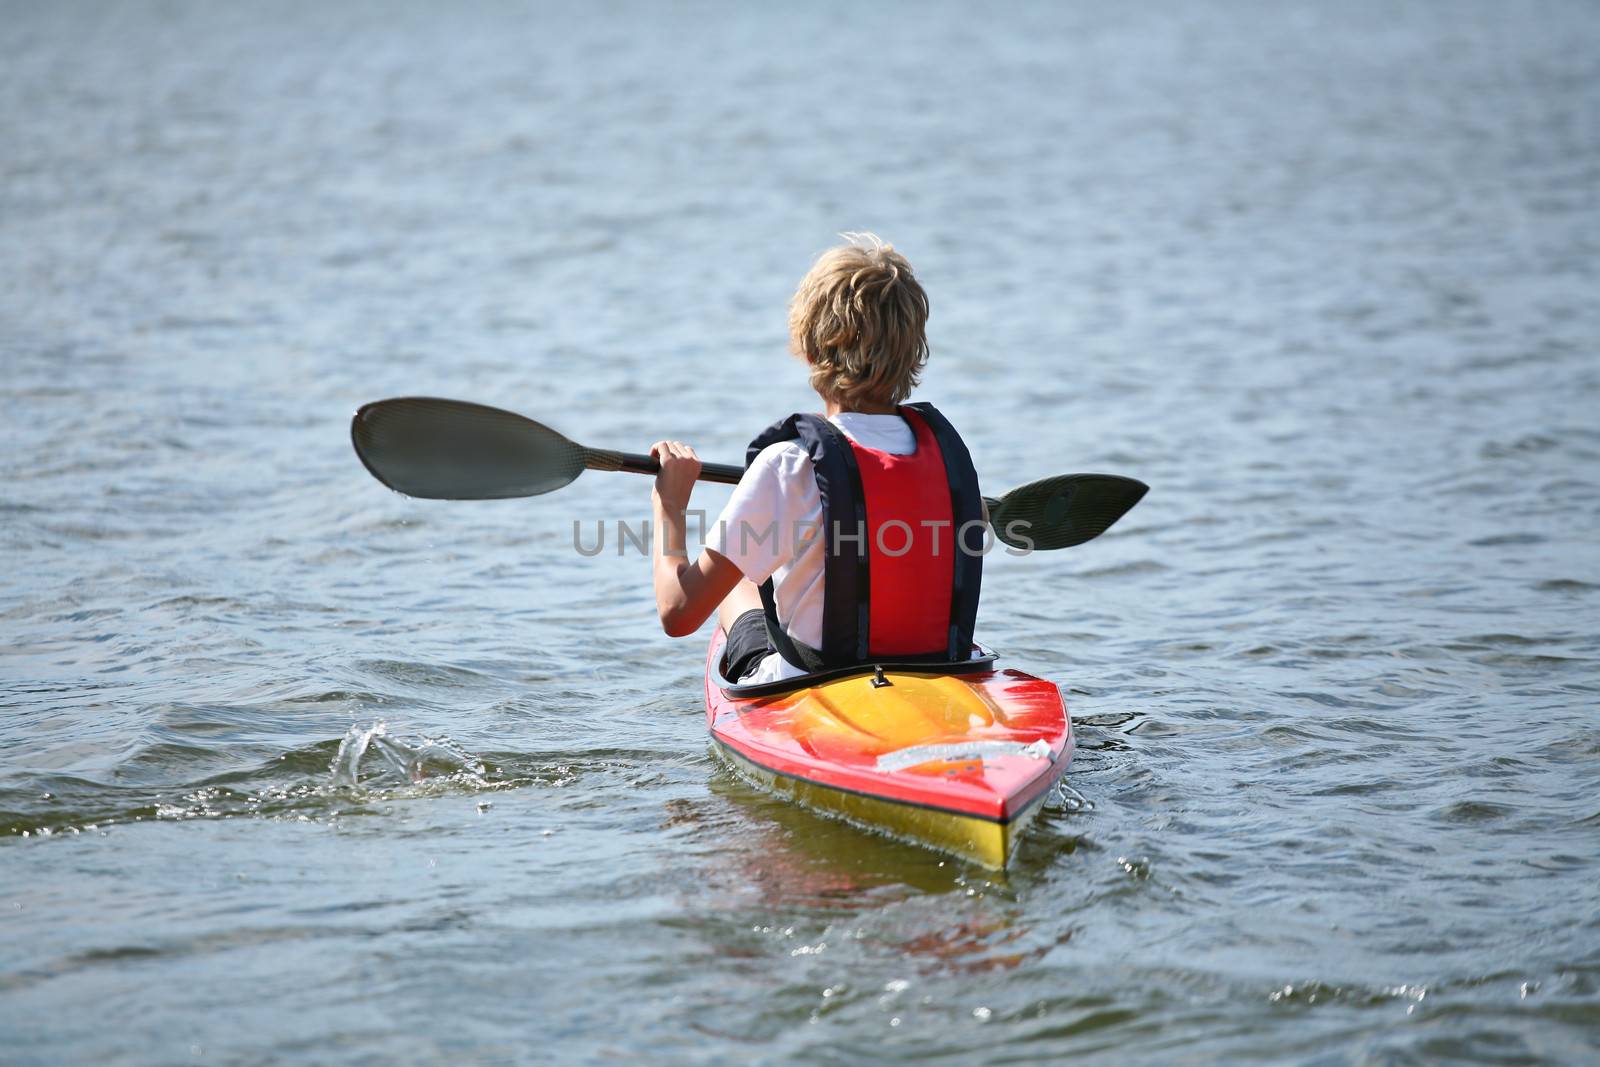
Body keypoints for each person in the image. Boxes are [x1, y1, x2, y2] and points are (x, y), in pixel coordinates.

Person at [649, 234, 985, 685]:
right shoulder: (948, 462)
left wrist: (669, 508)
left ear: (809, 349)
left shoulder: (787, 466)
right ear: (912, 351)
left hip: (816, 684)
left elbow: (677, 614)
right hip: (940, 672)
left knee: (740, 584)